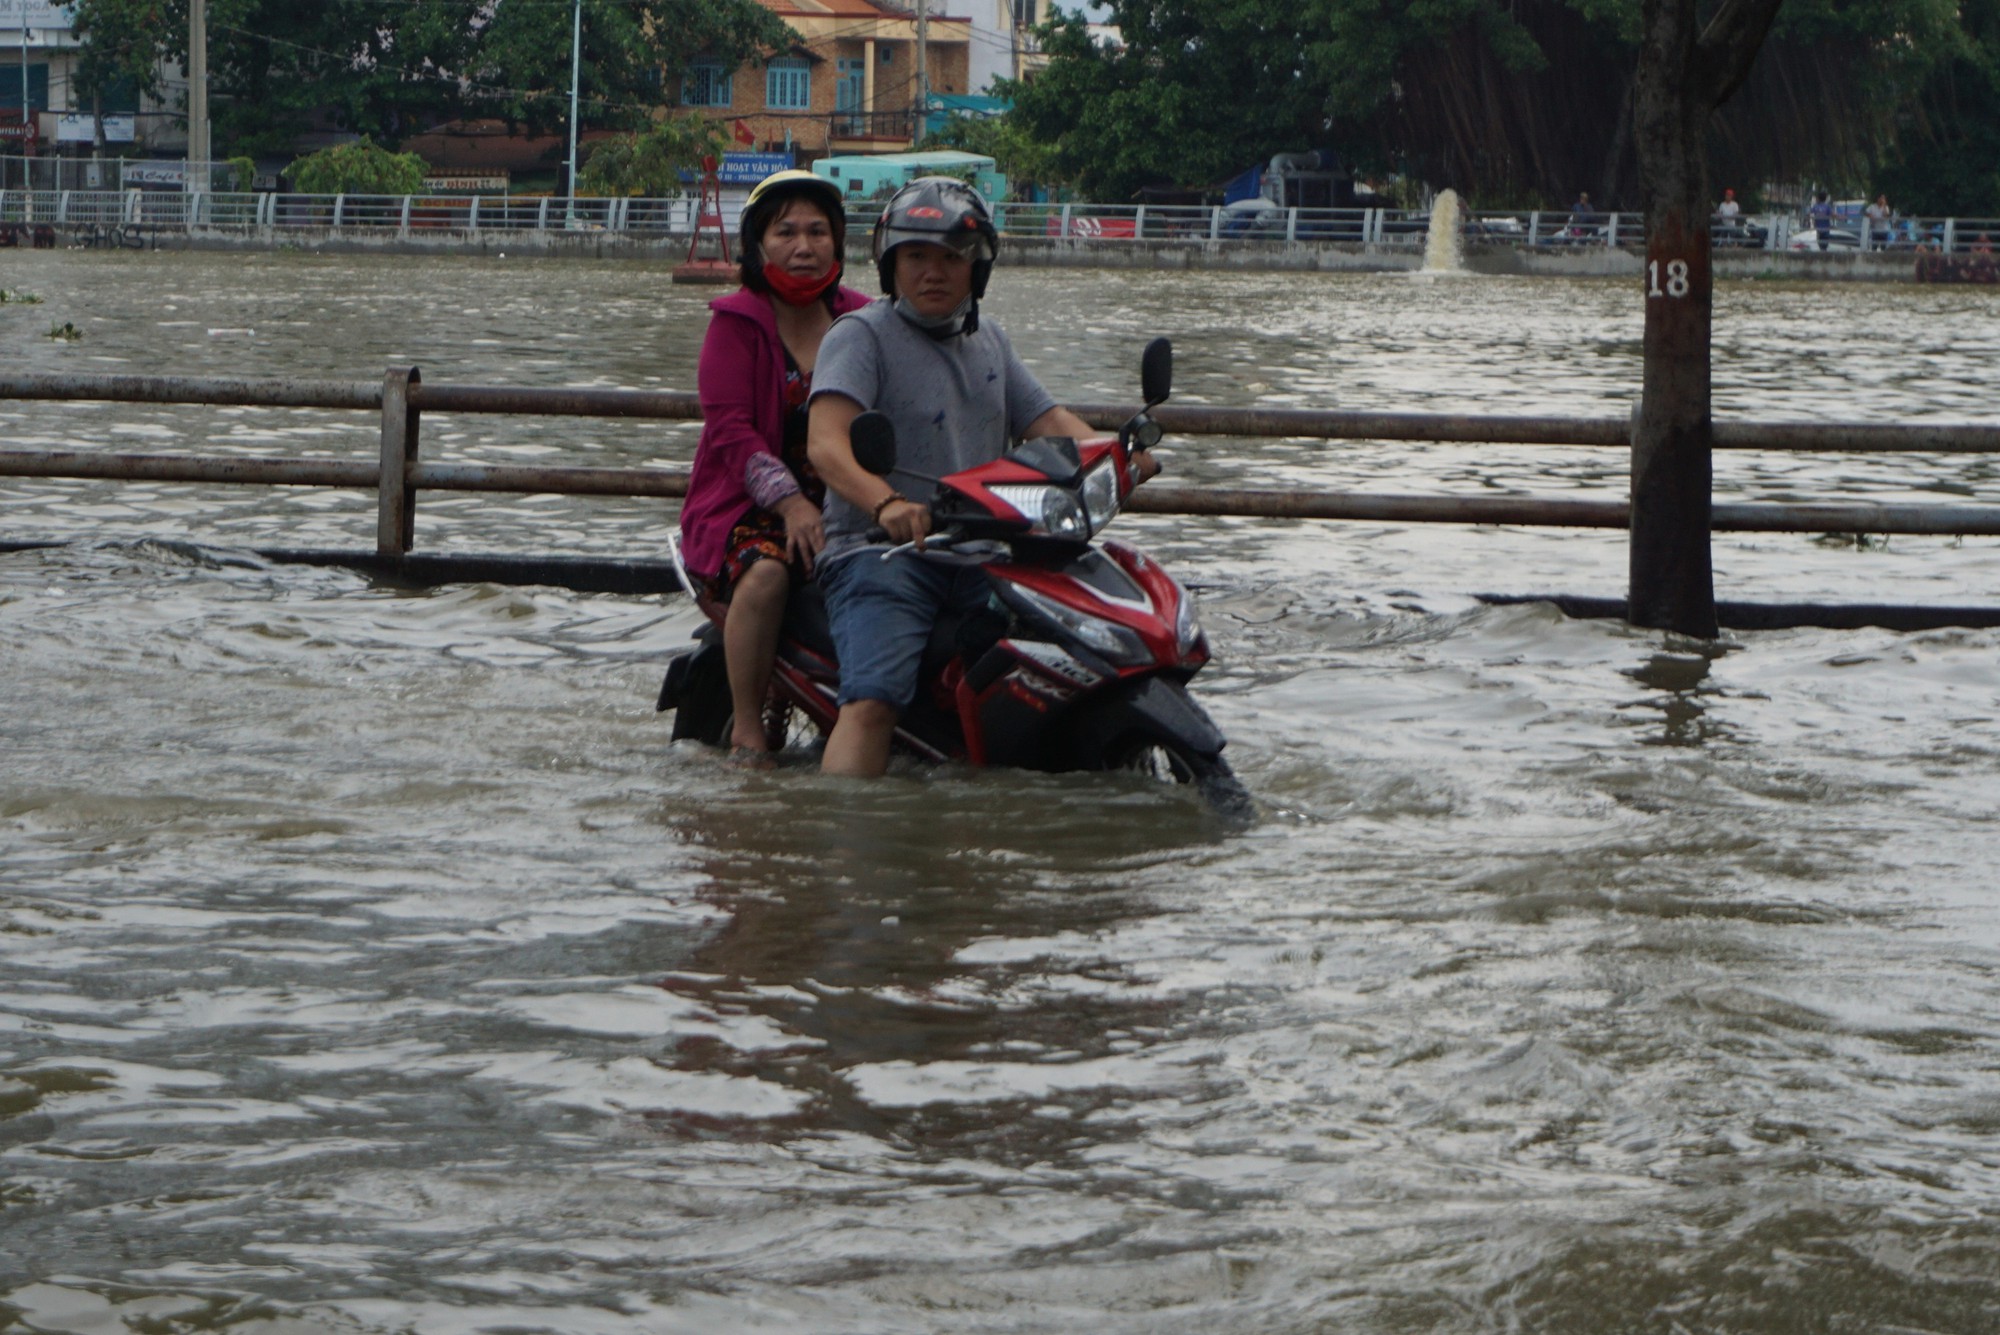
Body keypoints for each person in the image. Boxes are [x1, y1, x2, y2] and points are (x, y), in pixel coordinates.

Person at [804, 176, 1159, 778]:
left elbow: (1047, 422)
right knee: (873, 700)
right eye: (916, 256)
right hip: (881, 554)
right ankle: (847, 844)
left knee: (1071, 655)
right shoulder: (861, 336)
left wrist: (1119, 457)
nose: (933, 272)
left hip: (983, 552)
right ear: (891, 264)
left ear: (979, 267)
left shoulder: (989, 340)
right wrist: (886, 504)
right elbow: (827, 444)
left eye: (952, 256)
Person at [679, 170, 872, 762]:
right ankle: (745, 728)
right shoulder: (735, 323)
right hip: (752, 505)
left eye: (818, 231)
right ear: (759, 245)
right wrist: (791, 504)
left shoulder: (867, 320)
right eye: (786, 231)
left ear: (838, 243)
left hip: (854, 496)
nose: (804, 246)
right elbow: (732, 434)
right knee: (766, 574)